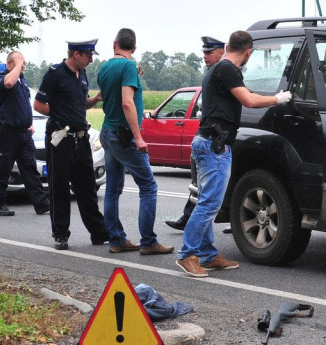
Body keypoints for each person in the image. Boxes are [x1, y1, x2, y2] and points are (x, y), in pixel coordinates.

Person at [176, 30, 292, 277]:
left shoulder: (218, 69)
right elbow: (248, 100)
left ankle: (207, 255)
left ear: (228, 45)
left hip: (208, 142)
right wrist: (278, 98)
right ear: (248, 52)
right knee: (209, 204)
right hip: (214, 146)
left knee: (207, 201)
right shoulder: (227, 69)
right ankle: (187, 255)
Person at [97, 28, 174, 256]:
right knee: (149, 186)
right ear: (135, 47)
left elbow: (111, 93)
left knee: (112, 188)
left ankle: (116, 239)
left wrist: (134, 77)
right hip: (124, 135)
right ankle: (148, 241)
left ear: (114, 44)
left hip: (108, 131)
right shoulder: (128, 66)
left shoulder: (104, 67)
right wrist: (138, 137)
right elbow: (127, 103)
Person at [33, 39, 112, 251]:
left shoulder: (82, 74)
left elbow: (81, 102)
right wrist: (59, 114)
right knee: (59, 189)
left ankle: (98, 232)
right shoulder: (54, 73)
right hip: (61, 138)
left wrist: (95, 99)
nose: (91, 59)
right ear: (76, 54)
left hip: (81, 138)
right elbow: (38, 105)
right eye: (88, 55)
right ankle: (61, 235)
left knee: (87, 188)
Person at [165, 35, 226, 231]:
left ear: (222, 52)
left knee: (207, 190)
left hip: (218, 139)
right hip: (207, 138)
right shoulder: (211, 74)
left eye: (209, 52)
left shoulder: (224, 74)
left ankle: (192, 236)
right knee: (200, 185)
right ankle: (189, 221)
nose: (205, 56)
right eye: (204, 53)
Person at [0, 51, 50, 217]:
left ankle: (42, 204)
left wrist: (28, 123)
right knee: (2, 170)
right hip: (6, 133)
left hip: (23, 134)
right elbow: (9, 83)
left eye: (23, 63)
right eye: (19, 63)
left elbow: (21, 105)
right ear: (9, 64)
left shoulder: (22, 82)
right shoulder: (0, 80)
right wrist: (16, 66)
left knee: (30, 170)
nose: (22, 66)